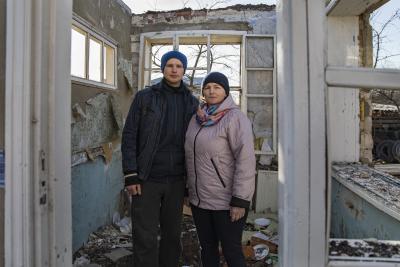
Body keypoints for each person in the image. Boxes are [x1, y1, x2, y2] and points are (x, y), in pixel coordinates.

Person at [121, 50, 199, 267]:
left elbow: (196, 144)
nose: (174, 70)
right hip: (147, 178)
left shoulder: (192, 103)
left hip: (176, 180)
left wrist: (189, 185)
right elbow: (129, 135)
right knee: (145, 236)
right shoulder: (145, 98)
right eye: (170, 65)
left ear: (184, 70)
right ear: (163, 69)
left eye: (179, 66)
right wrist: (131, 174)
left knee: (172, 237)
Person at [185, 72, 256, 267]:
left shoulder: (235, 118)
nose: (211, 91)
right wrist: (188, 189)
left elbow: (246, 160)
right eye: (207, 87)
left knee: (232, 252)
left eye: (217, 87)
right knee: (207, 249)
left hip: (226, 203)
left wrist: (240, 200)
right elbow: (191, 156)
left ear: (225, 91)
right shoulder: (197, 119)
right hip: (200, 200)